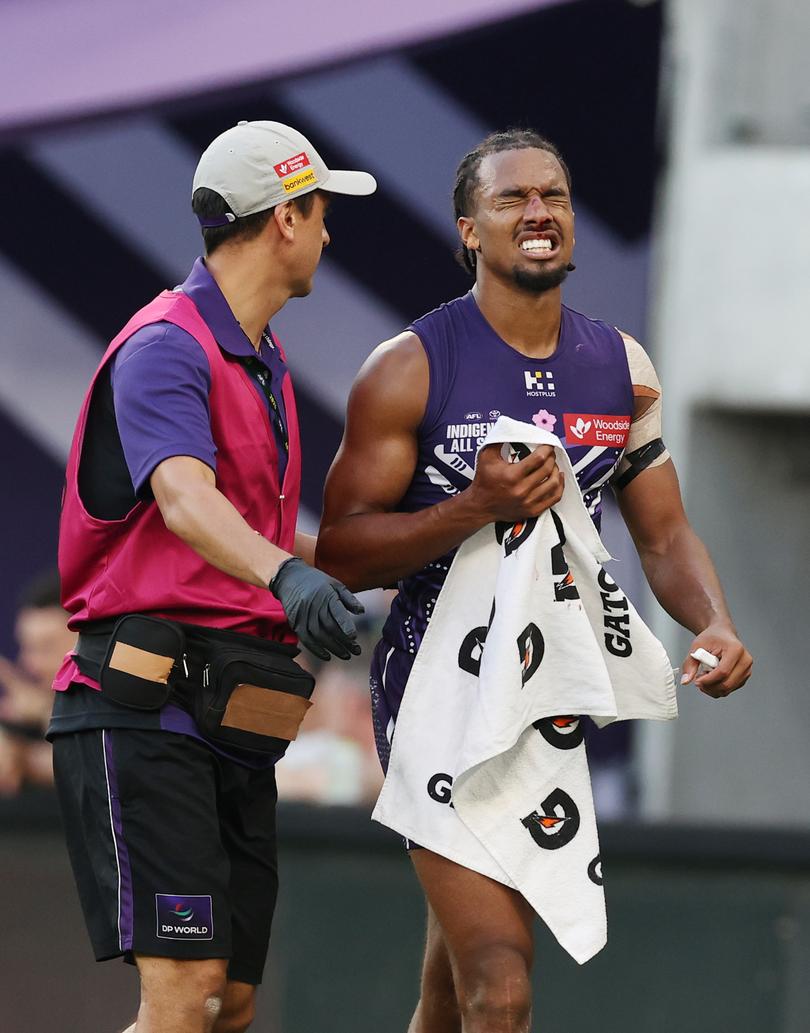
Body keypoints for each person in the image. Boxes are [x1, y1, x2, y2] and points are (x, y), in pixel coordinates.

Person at [315, 129, 753, 1033]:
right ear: (469, 230)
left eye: (553, 195)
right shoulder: (409, 365)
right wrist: (473, 506)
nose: (539, 213)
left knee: (451, 991)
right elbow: (343, 553)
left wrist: (712, 619)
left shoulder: (620, 368)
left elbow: (664, 533)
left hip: (545, 690)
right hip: (435, 688)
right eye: (512, 199)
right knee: (500, 985)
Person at [47, 120, 376, 1033]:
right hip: (144, 713)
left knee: (229, 1001)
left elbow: (258, 535)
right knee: (183, 997)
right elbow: (187, 501)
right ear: (284, 220)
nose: (327, 234)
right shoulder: (166, 344)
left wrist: (406, 557)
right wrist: (290, 579)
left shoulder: (256, 355)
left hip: (227, 719)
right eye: (321, 212)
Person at [0, 569, 73, 793]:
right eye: (27, 647)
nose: (31, 665)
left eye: (47, 648)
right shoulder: (19, 716)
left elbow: (98, 766)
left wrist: (44, 711)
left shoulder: (125, 702)